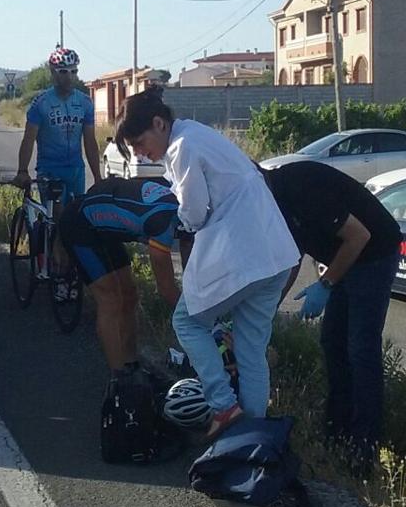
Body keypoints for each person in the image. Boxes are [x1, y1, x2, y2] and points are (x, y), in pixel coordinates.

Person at [116, 91, 299, 440]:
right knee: (250, 351)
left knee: (187, 322)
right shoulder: (199, 135)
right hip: (275, 255)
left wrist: (176, 221)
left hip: (240, 255)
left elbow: (195, 213)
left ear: (159, 123)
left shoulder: (183, 146)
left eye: (140, 143)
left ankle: (223, 405)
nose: (140, 153)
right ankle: (252, 440)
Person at [262, 160, 401, 462]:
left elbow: (359, 236)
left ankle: (365, 446)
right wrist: (267, 311)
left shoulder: (299, 186)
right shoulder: (274, 204)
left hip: (373, 254)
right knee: (333, 344)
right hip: (345, 258)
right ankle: (337, 433)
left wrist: (326, 284)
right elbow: (291, 258)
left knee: (361, 349)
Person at [56, 177, 187, 373]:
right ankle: (120, 380)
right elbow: (167, 289)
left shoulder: (184, 200)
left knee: (130, 295)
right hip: (79, 224)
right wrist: (200, 320)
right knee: (111, 300)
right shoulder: (161, 222)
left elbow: (191, 270)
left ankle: (131, 364)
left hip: (105, 226)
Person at [14, 47, 102, 205]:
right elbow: (28, 140)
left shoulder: (85, 102)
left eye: (73, 72)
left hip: (76, 170)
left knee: (75, 218)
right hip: (49, 169)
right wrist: (22, 170)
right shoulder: (41, 103)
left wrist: (97, 177)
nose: (69, 77)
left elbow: (90, 142)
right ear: (53, 72)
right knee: (57, 217)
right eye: (63, 72)